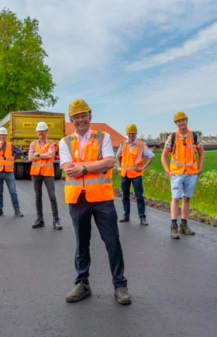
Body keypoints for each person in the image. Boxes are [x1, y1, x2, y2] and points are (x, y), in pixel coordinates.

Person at [60, 98, 131, 305]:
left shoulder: (104, 137)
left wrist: (82, 167)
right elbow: (67, 167)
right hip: (77, 199)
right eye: (76, 117)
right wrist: (94, 165)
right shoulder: (65, 142)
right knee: (81, 243)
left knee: (112, 242)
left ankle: (120, 285)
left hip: (102, 198)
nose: (80, 120)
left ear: (90, 116)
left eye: (83, 115)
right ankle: (83, 283)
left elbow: (109, 162)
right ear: (71, 119)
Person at [160, 111, 205, 239]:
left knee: (187, 199)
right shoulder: (172, 137)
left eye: (183, 120)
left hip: (191, 173)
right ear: (176, 123)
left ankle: (184, 225)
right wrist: (168, 172)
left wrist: (200, 169)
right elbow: (163, 156)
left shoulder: (194, 136)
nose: (181, 123)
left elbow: (202, 153)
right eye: (178, 121)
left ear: (187, 120)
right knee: (175, 199)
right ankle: (174, 227)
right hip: (177, 174)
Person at [116, 124, 155, 226]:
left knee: (139, 197)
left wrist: (143, 167)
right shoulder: (123, 144)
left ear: (136, 134)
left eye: (133, 134)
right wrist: (119, 167)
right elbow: (118, 156)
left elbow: (151, 156)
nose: (131, 136)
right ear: (127, 134)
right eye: (129, 134)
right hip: (124, 174)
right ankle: (126, 216)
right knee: (125, 196)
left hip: (136, 175)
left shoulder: (141, 145)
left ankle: (142, 217)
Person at [28, 121, 62, 230]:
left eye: (42, 131)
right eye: (39, 131)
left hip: (48, 173)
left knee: (52, 196)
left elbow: (50, 155)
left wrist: (37, 154)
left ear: (46, 131)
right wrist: (42, 155)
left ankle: (56, 221)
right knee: (38, 197)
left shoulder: (52, 143)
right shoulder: (33, 144)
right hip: (36, 173)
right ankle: (40, 220)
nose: (40, 133)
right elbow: (30, 158)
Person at [0, 127, 24, 217]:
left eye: (4, 135)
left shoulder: (10, 145)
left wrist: (13, 157)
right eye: (1, 135)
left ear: (6, 136)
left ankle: (17, 210)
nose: (2, 136)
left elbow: (20, 152)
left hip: (9, 172)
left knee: (13, 191)